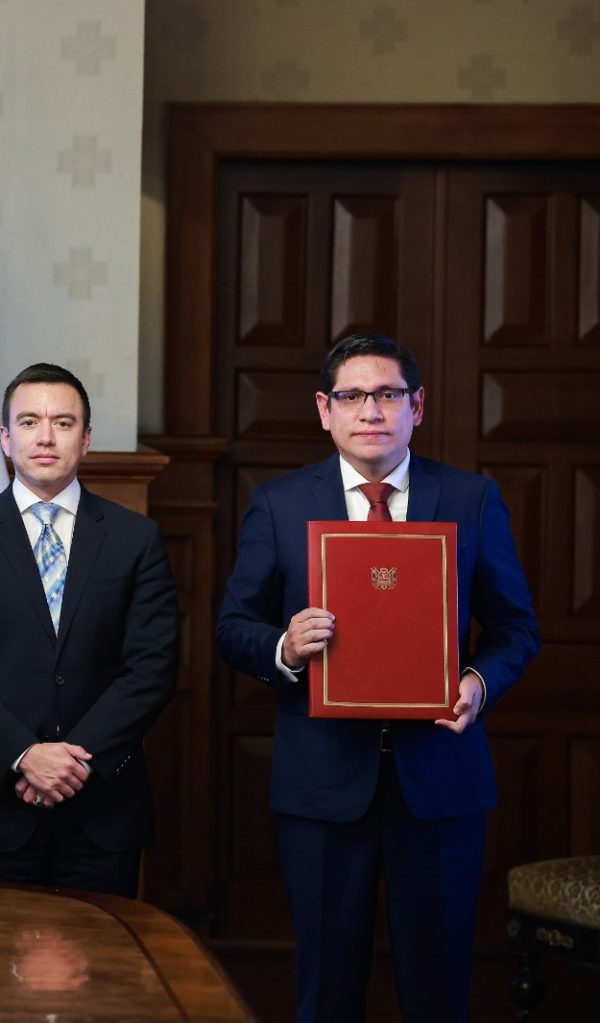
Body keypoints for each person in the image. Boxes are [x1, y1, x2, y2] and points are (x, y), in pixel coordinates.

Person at [215, 331, 540, 1022]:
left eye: (388, 394)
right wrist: (285, 646)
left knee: (439, 991)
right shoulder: (279, 503)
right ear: (324, 409)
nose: (371, 410)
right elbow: (234, 627)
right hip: (323, 784)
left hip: (440, 780)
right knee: (328, 991)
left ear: (416, 406)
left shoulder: (472, 498)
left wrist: (478, 683)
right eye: (353, 396)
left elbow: (516, 628)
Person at [0, 362, 179, 895]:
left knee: (107, 951)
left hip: (102, 811)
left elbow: (151, 669)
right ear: (6, 439)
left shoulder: (136, 539)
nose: (45, 437)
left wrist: (74, 763)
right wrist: (24, 755)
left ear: (86, 439)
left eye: (63, 422)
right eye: (30, 422)